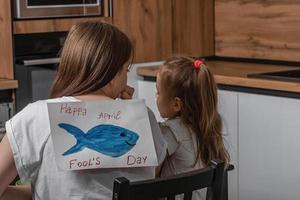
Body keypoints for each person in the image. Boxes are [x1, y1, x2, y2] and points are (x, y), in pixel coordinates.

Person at [0, 22, 166, 200]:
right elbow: (149, 179)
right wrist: (132, 113)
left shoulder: (34, 117)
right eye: (126, 70)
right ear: (112, 75)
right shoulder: (145, 117)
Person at [156, 56, 230, 199]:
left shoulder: (171, 131)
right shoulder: (208, 124)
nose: (156, 96)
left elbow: (150, 172)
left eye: (158, 92)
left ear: (176, 104)